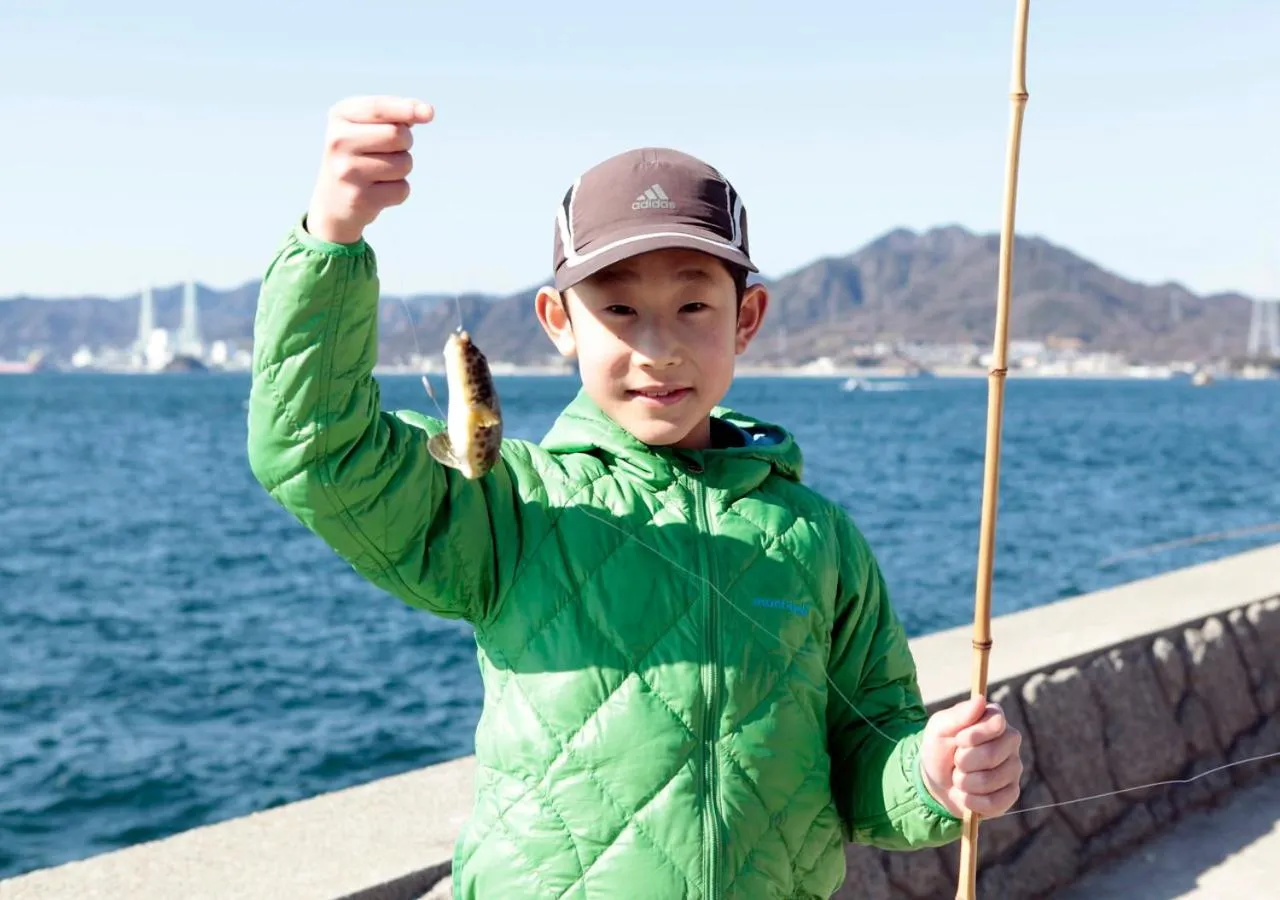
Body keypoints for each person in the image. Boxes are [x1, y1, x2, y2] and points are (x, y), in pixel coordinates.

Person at [246, 95, 1023, 900]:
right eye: (618, 310)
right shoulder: (511, 507)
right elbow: (317, 449)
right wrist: (332, 235)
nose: (658, 349)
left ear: (746, 318)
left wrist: (929, 775)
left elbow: (865, 759)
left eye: (694, 306)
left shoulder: (819, 538)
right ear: (559, 321)